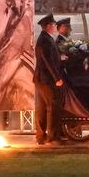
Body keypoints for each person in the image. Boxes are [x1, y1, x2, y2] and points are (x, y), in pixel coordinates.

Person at [34, 13, 66, 145]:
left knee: (42, 107)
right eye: (53, 25)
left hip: (42, 79)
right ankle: (53, 137)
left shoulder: (46, 38)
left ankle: (41, 136)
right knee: (52, 106)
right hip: (46, 79)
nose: (54, 27)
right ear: (48, 26)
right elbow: (48, 62)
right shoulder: (45, 40)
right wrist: (57, 78)